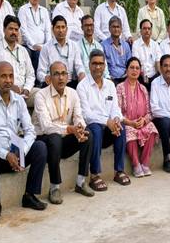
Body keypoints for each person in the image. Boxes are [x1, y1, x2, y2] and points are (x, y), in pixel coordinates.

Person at [0, 62, 48, 226]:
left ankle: (29, 196)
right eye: (3, 76)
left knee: (40, 147)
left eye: (11, 76)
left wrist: (21, 152)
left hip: (16, 155)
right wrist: (6, 154)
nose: (8, 80)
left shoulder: (19, 101)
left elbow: (30, 131)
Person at [32, 61, 94, 204]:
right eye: (56, 74)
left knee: (88, 134)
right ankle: (54, 187)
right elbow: (46, 127)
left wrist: (79, 128)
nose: (60, 77)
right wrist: (70, 129)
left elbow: (78, 116)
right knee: (54, 138)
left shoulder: (73, 93)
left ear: (68, 77)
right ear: (49, 78)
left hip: (64, 139)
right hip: (45, 140)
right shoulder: (41, 95)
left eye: (63, 74)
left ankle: (80, 182)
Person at [77, 49, 130, 191]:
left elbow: (115, 108)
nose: (98, 67)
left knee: (121, 127)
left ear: (105, 66)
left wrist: (116, 119)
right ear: (89, 65)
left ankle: (119, 171)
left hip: (108, 128)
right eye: (94, 63)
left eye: (101, 64)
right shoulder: (82, 86)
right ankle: (95, 175)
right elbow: (86, 114)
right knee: (95, 128)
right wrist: (107, 121)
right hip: (93, 129)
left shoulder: (110, 85)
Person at [117, 57, 159, 177]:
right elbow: (117, 112)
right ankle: (136, 165)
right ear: (126, 70)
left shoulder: (143, 89)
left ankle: (145, 163)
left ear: (140, 71)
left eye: (137, 68)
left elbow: (150, 112)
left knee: (151, 128)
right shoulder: (120, 87)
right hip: (127, 122)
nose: (134, 70)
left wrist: (144, 120)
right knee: (128, 131)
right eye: (132, 67)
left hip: (141, 123)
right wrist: (130, 123)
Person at [0, 15, 36, 107]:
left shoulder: (23, 50)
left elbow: (31, 75)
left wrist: (27, 89)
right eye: (11, 29)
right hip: (5, 91)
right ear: (4, 29)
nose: (14, 32)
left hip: (24, 92)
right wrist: (10, 87)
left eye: (16, 30)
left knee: (42, 96)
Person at [37, 16, 84, 88]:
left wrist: (81, 74)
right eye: (58, 27)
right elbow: (40, 73)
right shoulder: (46, 48)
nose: (61, 30)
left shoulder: (74, 46)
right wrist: (47, 78)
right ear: (52, 29)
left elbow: (79, 66)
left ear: (67, 29)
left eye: (63, 27)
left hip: (70, 83)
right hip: (52, 84)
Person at [18, 0, 51, 74]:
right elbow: (23, 31)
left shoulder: (44, 10)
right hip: (29, 45)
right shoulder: (23, 10)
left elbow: (48, 30)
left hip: (43, 45)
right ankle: (37, 80)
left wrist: (47, 44)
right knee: (38, 54)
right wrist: (34, 45)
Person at [132, 19, 162, 90]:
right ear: (141, 31)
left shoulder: (155, 45)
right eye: (144, 28)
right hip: (140, 75)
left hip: (154, 76)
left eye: (149, 28)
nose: (147, 30)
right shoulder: (136, 44)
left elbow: (158, 62)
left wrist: (161, 76)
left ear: (151, 31)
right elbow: (137, 63)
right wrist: (143, 75)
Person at [101, 16, 132, 84]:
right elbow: (103, 65)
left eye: (118, 27)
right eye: (114, 27)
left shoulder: (126, 45)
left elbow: (129, 63)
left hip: (125, 78)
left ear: (121, 29)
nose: (116, 29)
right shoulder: (103, 45)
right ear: (109, 29)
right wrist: (108, 78)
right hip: (110, 79)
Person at [79, 15, 110, 79]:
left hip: (100, 79)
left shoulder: (99, 46)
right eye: (86, 25)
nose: (89, 28)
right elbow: (79, 68)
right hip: (86, 80)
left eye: (91, 25)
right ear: (82, 27)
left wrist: (107, 78)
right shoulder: (77, 46)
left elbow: (105, 66)